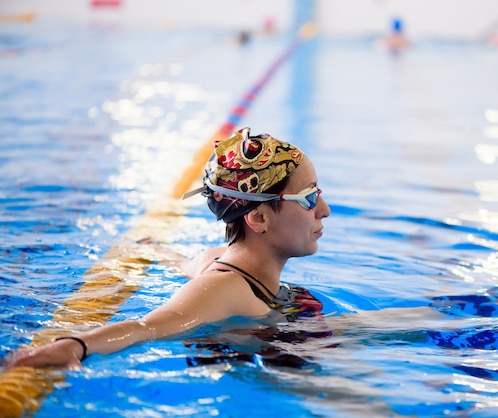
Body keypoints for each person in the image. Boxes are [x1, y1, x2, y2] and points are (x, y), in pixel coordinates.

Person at [2, 127, 331, 369]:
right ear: (258, 218)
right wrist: (76, 345)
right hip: (260, 367)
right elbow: (148, 326)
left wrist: (153, 249)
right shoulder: (223, 287)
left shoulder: (217, 260)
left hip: (274, 334)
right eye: (308, 198)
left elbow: (186, 264)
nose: (324, 209)